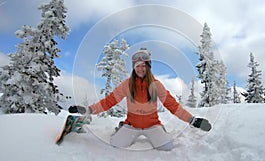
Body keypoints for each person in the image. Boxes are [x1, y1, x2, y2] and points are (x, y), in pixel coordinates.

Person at [69, 48, 211, 151]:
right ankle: (121, 126)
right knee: (116, 143)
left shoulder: (156, 85)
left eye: (144, 65)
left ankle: (160, 129)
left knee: (166, 147)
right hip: (132, 125)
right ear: (134, 67)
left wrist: (192, 120)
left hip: (152, 125)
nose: (141, 68)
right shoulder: (128, 84)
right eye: (138, 66)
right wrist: (88, 110)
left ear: (148, 67)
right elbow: (109, 101)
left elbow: (172, 105)